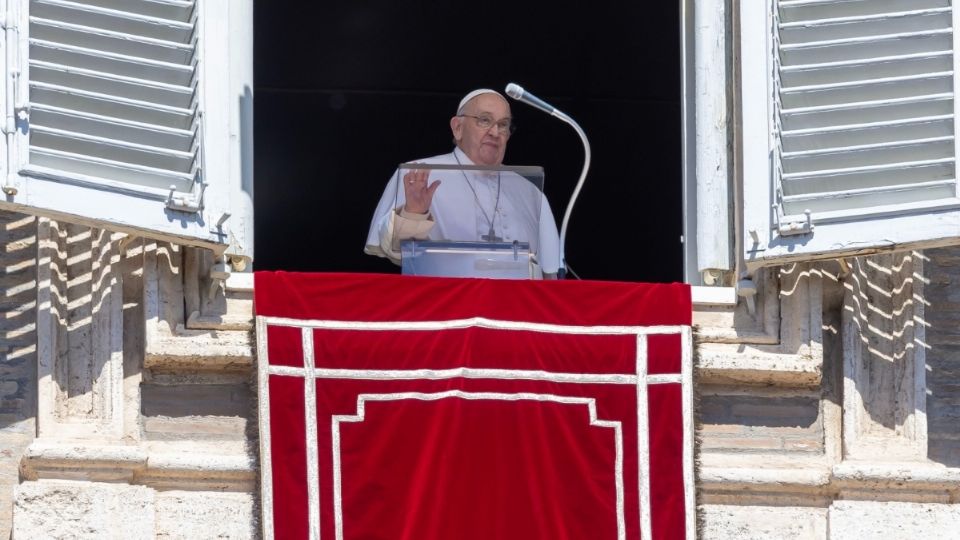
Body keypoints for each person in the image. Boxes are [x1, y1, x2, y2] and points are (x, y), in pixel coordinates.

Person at [364, 88, 561, 277]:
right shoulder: (418, 174)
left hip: (513, 308)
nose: (495, 132)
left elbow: (550, 273)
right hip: (446, 306)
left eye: (503, 124)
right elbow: (393, 248)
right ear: (458, 128)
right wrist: (412, 214)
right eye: (485, 120)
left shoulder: (530, 191)